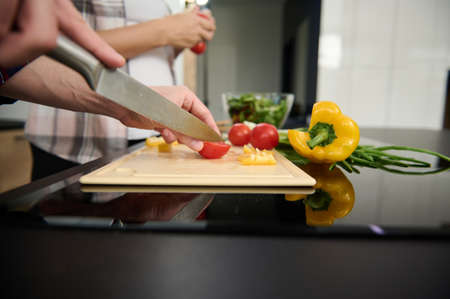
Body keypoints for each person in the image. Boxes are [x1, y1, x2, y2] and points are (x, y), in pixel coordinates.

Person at [24, 0, 217, 180]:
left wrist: (181, 37)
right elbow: (49, 44)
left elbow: (151, 54)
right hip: (73, 140)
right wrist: (165, 30)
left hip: (150, 132)